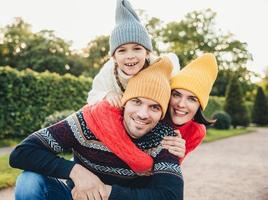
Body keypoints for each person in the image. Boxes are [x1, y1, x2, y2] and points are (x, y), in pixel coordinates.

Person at [10, 58, 184, 200]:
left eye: (154, 107)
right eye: (136, 102)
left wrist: (105, 192)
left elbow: (171, 196)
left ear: (162, 114)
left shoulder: (165, 138)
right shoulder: (89, 121)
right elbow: (22, 152)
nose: (142, 114)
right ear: (125, 103)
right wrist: (76, 172)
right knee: (29, 181)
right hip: (74, 197)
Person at [87, 0, 180, 107]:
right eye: (122, 50)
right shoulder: (108, 71)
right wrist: (107, 94)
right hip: (119, 116)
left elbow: (172, 60)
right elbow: (92, 96)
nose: (130, 56)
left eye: (137, 49)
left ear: (147, 53)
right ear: (114, 57)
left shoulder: (156, 65)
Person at [161, 53, 218, 162]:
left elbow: (172, 170)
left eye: (192, 99)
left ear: (199, 105)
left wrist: (178, 155)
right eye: (176, 94)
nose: (181, 104)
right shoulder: (152, 114)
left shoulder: (196, 131)